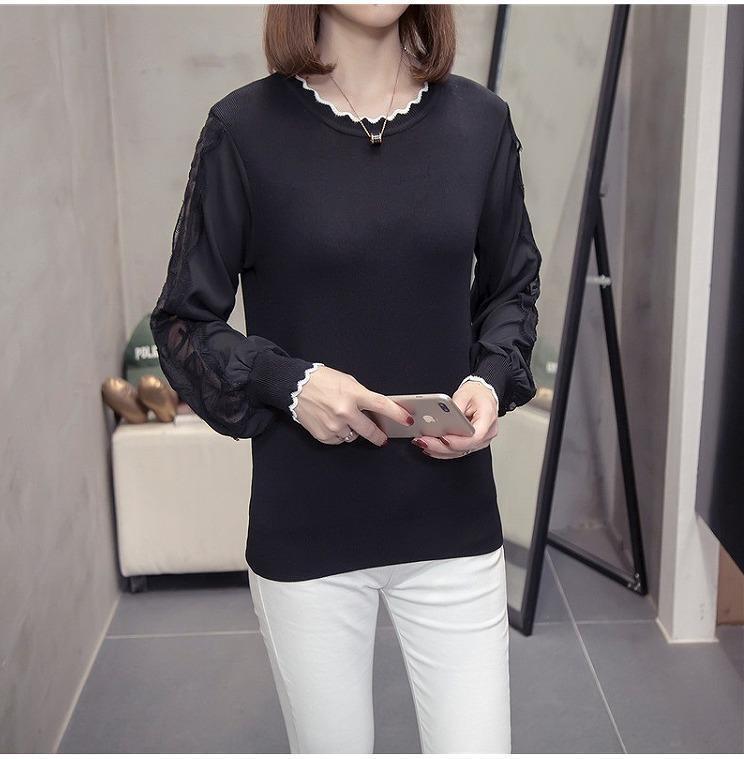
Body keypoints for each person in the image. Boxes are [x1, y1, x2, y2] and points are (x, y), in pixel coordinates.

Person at [150, 4, 541, 753]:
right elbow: (182, 323)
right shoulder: (243, 131)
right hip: (308, 530)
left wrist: (491, 382)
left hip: (451, 522)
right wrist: (291, 383)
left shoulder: (482, 124)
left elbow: (511, 289)